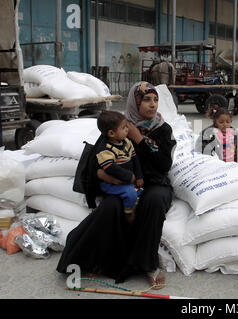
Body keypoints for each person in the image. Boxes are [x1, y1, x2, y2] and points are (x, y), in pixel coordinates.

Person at [57, 82, 176, 289]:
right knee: (110, 207)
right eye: (146, 99)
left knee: (154, 201)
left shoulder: (163, 129)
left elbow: (164, 164)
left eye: (155, 100)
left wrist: (139, 139)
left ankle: (147, 264)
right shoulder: (119, 126)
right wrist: (105, 175)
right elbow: (100, 156)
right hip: (124, 184)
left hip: (155, 183)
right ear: (135, 102)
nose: (152, 105)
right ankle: (96, 260)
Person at [95, 110, 144, 222]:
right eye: (123, 128)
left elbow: (135, 159)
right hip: (112, 183)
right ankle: (128, 214)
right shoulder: (105, 149)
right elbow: (110, 167)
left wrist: (139, 176)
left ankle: (132, 208)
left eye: (126, 126)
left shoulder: (127, 142)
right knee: (130, 193)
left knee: (140, 192)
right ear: (111, 133)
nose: (127, 129)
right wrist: (129, 176)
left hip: (128, 181)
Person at [196, 105, 238, 170]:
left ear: (231, 122)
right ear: (215, 122)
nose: (225, 124)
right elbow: (201, 145)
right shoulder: (209, 133)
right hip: (219, 162)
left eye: (227, 122)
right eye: (221, 122)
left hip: (233, 160)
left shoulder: (233, 132)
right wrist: (210, 154)